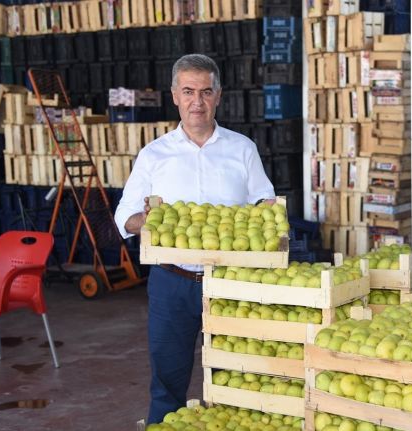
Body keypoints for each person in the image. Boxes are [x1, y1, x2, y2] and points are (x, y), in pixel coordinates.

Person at [114, 54, 275, 424]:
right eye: (188, 92)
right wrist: (146, 220)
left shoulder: (242, 149)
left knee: (237, 377)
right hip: (173, 281)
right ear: (175, 95)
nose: (197, 102)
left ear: (218, 95)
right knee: (167, 381)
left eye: (205, 92)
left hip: (231, 284)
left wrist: (267, 211)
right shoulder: (154, 155)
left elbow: (265, 202)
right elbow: (124, 217)